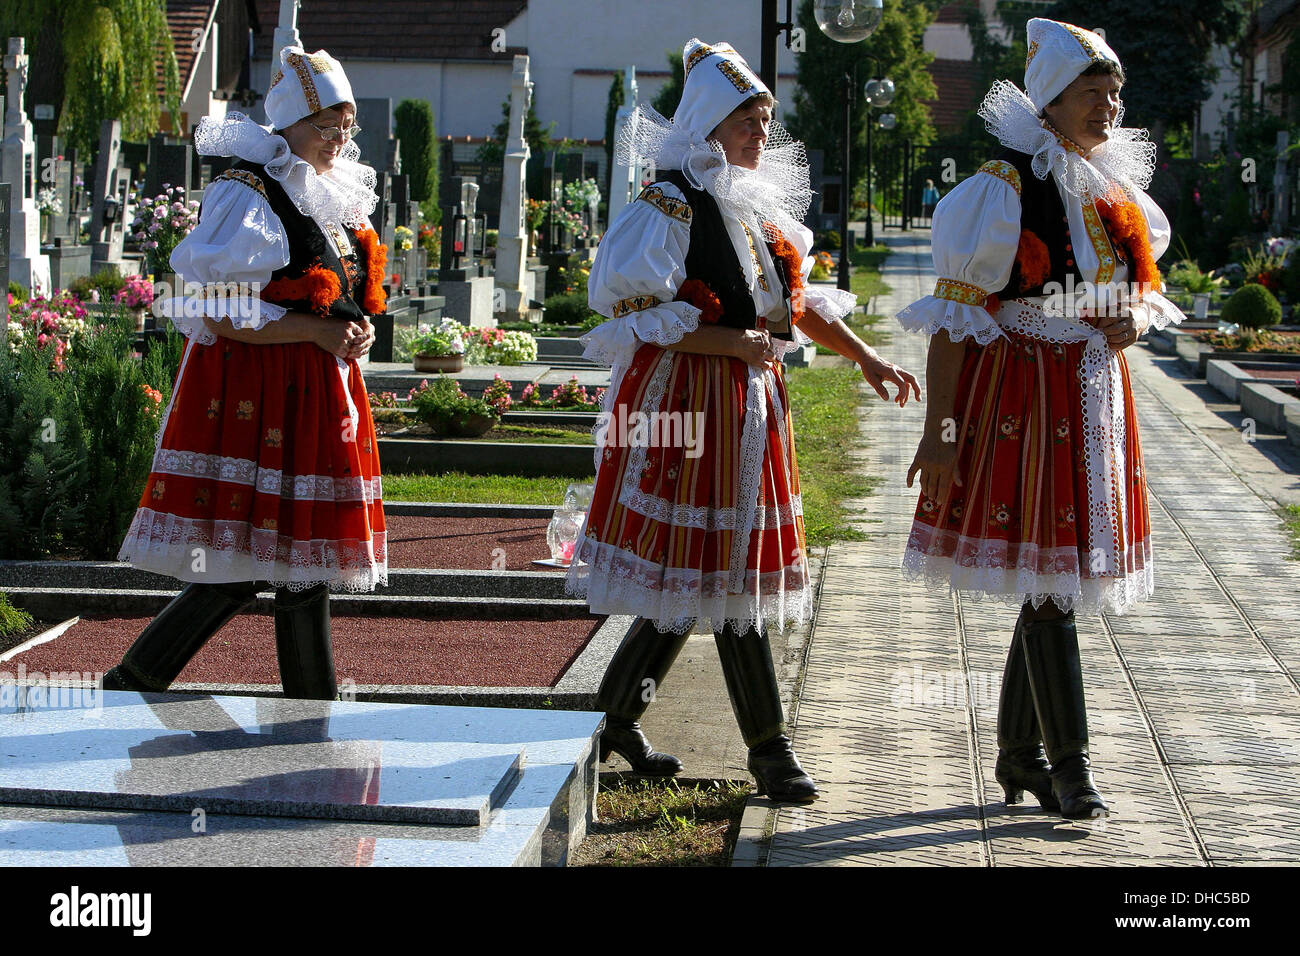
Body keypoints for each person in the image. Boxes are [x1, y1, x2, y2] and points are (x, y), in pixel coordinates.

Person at [568, 39, 920, 802]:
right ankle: (770, 751)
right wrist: (724, 339)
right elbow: (625, 309)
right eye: (746, 122)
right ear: (708, 125)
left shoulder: (754, 212)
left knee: (704, 573)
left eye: (765, 120)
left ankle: (612, 717)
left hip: (747, 404)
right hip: (686, 401)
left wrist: (865, 357)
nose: (761, 134)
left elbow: (794, 310)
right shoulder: (668, 204)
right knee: (726, 574)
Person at [898, 19, 1184, 819]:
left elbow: (1135, 289)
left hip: (1093, 391)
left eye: (1114, 91)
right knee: (1054, 584)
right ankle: (1071, 766)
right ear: (1051, 98)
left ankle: (1022, 756)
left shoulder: (1114, 186)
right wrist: (941, 432)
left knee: (1051, 580)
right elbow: (955, 320)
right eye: (1093, 91)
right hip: (1024, 397)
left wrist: (1130, 319)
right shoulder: (1003, 185)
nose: (1109, 104)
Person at [106, 46, 387, 699]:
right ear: (288, 124)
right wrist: (318, 330)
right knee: (243, 560)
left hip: (314, 389)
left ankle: (306, 705)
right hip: (257, 390)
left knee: (301, 562)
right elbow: (224, 312)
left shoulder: (327, 193)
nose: (338, 139)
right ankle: (137, 677)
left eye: (346, 126)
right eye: (326, 126)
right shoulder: (248, 190)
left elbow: (328, 293)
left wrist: (352, 328)